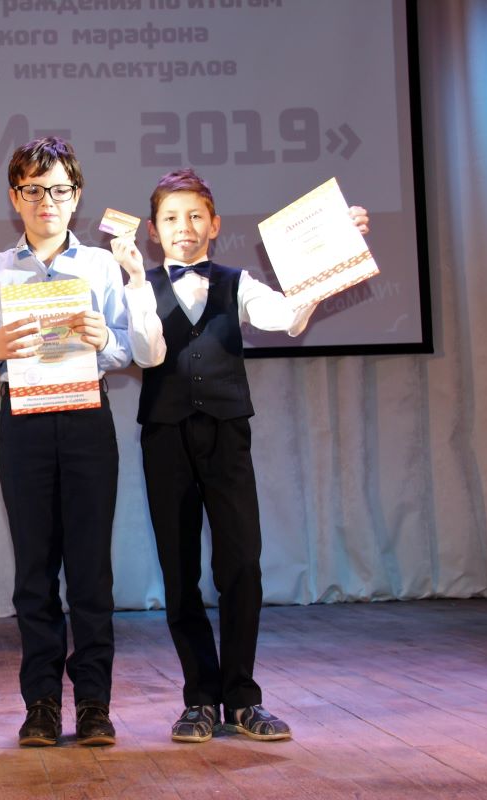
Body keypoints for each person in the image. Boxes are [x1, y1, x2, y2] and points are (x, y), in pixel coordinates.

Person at [110, 168, 369, 744]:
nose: (184, 227)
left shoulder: (236, 281)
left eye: (195, 216)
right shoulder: (138, 286)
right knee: (180, 573)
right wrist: (134, 282)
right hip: (166, 438)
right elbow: (147, 355)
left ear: (215, 224)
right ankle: (199, 699)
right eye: (171, 218)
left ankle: (244, 698)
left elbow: (288, 317)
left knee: (241, 566)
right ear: (152, 230)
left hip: (227, 435)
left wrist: (334, 254)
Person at [0, 137, 131, 747]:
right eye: (33, 190)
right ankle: (40, 704)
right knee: (34, 571)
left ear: (76, 196)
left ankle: (94, 704)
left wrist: (104, 339)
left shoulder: (102, 266)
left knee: (90, 572)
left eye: (58, 189)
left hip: (87, 417)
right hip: (23, 420)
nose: (46, 201)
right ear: (15, 198)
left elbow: (126, 349)